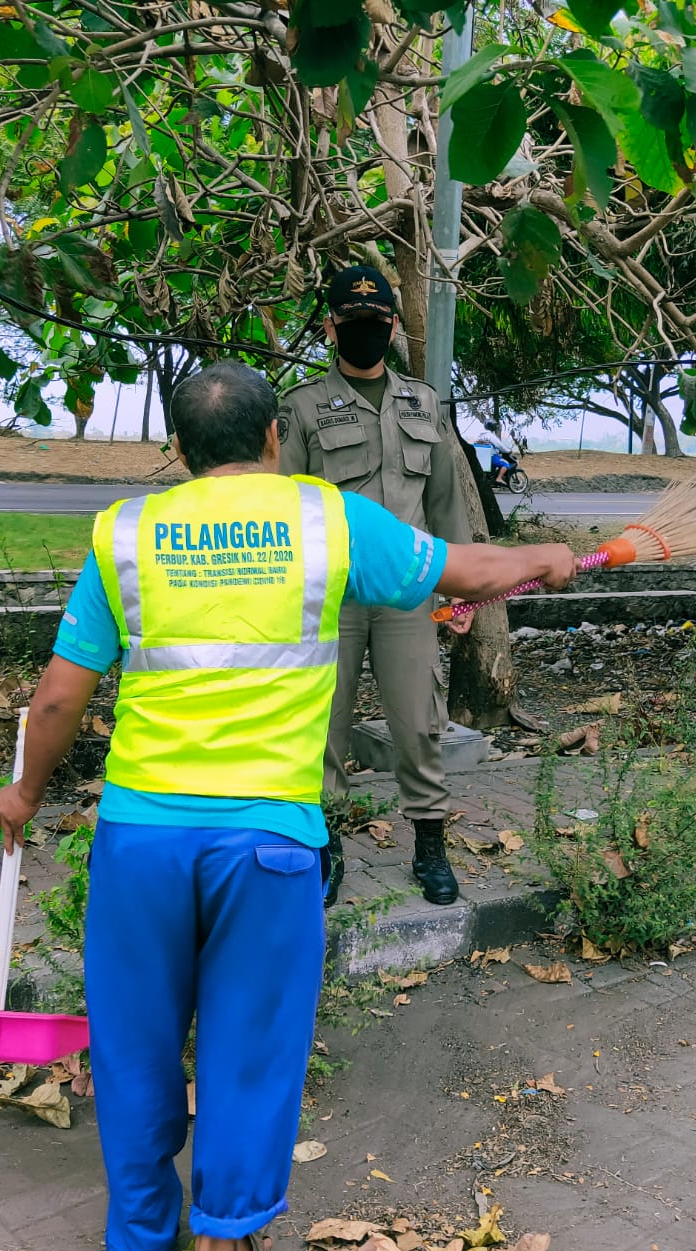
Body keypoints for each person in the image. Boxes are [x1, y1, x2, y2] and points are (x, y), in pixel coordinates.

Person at [0, 360, 575, 1251]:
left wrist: (24, 793)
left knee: (134, 1044)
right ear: (274, 436)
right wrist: (549, 558)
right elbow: (468, 569)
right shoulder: (325, 518)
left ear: (178, 449)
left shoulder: (125, 533)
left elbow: (60, 696)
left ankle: (139, 1243)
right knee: (250, 1048)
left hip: (141, 841)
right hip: (267, 845)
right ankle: (223, 1242)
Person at [277, 264, 475, 910]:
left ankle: (430, 846)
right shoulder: (302, 407)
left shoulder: (424, 403)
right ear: (330, 327)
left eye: (376, 321)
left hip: (408, 592)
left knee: (419, 724)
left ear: (392, 328)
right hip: (328, 596)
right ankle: (327, 847)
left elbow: (444, 502)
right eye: (352, 321)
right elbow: (285, 508)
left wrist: (461, 585)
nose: (365, 330)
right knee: (321, 728)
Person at [476, 420, 513, 486]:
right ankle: (499, 478)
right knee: (506, 464)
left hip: (482, 457)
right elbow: (499, 445)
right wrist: (508, 451)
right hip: (491, 456)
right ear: (492, 426)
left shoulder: (480, 435)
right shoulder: (490, 435)